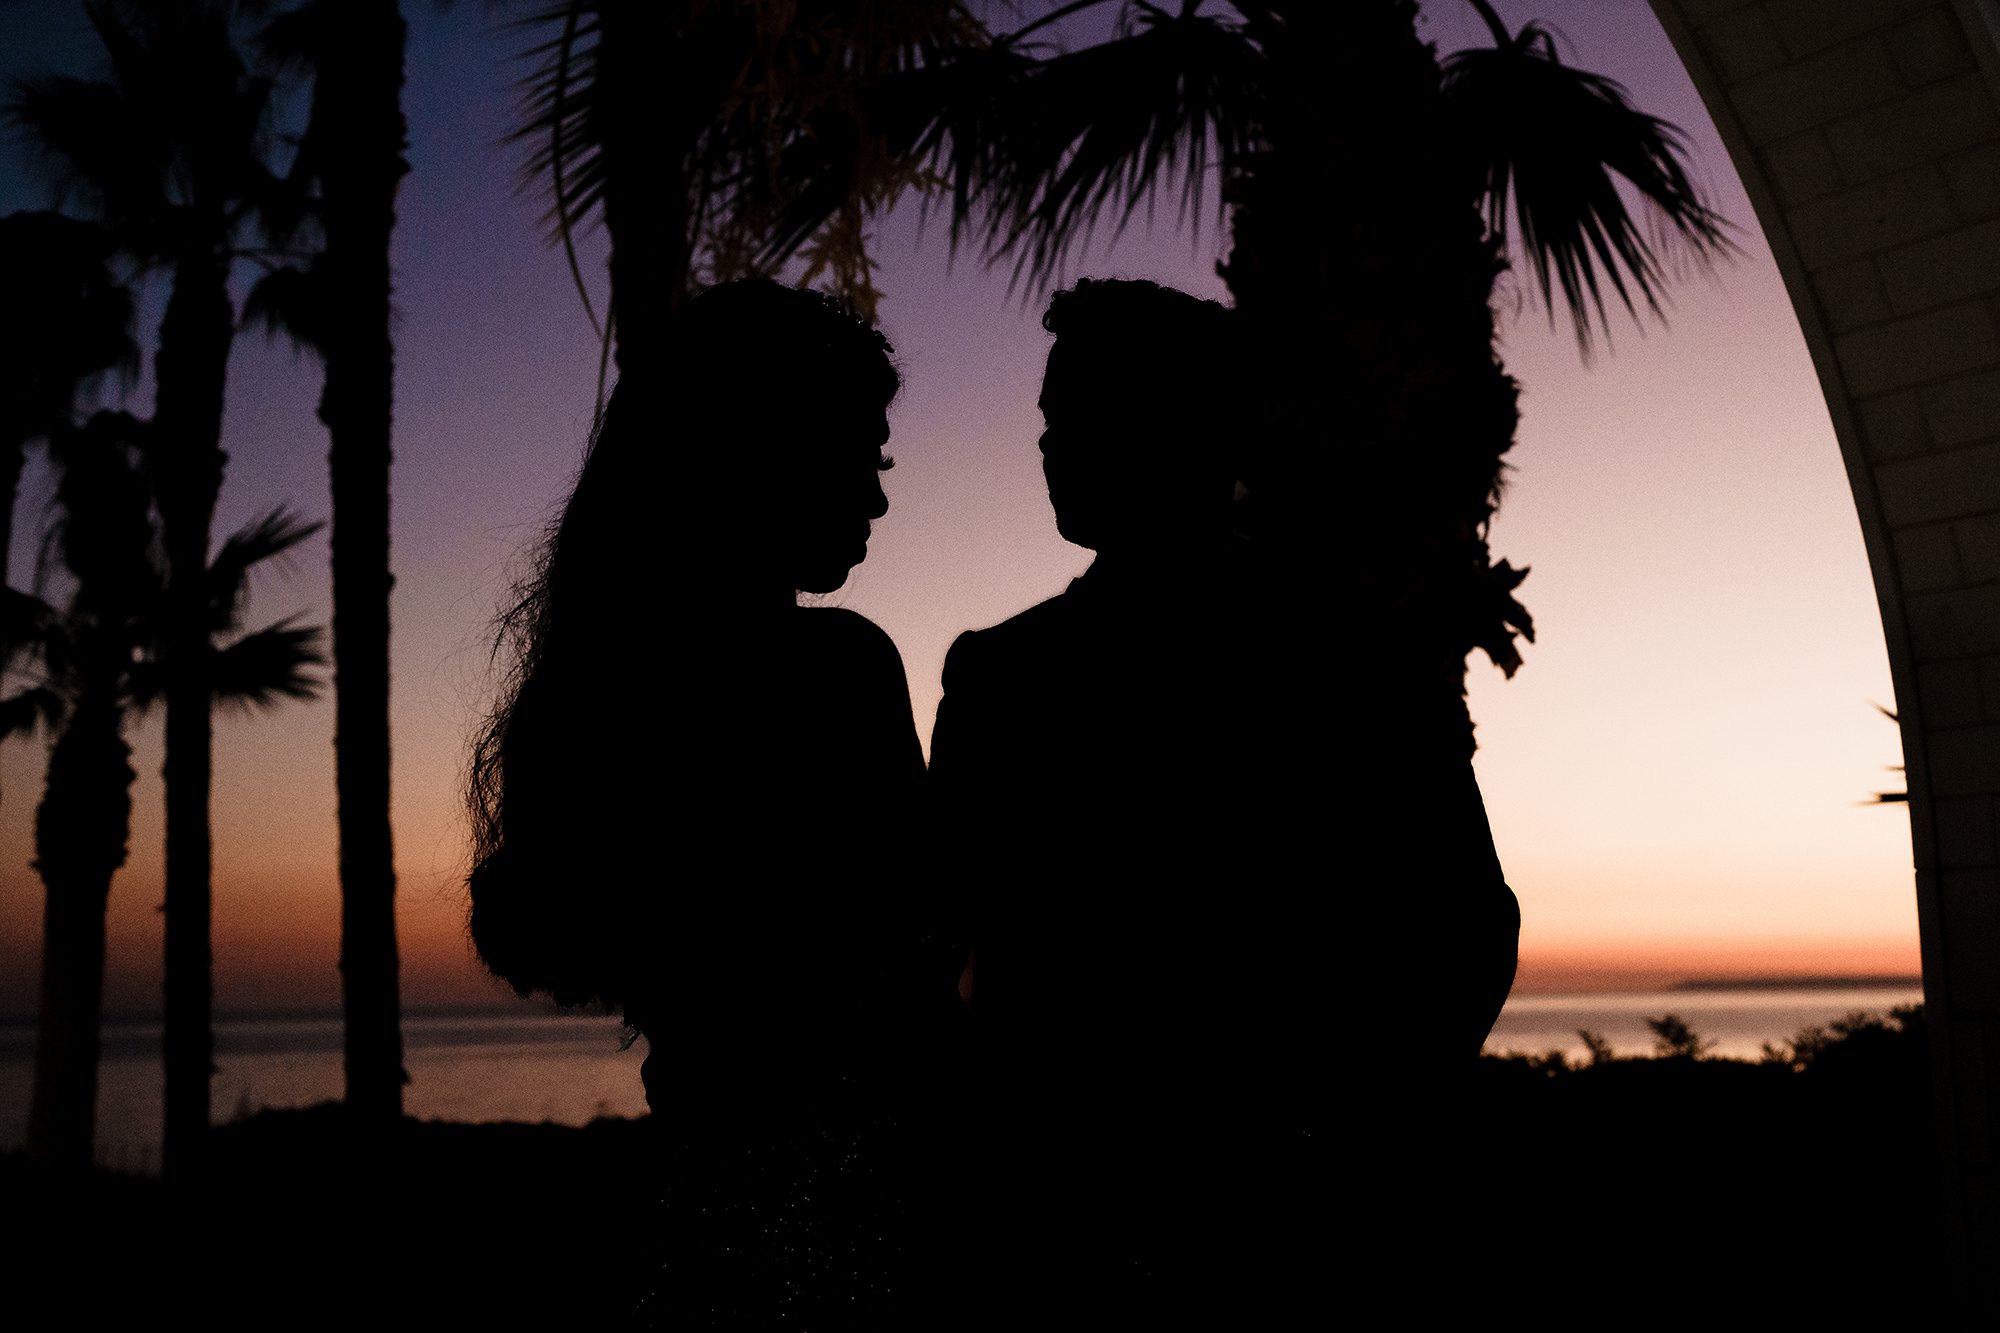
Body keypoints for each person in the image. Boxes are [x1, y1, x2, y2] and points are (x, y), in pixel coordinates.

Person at [931, 277, 1519, 1322]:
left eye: (1086, 416)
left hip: (1283, 1230)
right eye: (1049, 421)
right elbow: (937, 936)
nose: (1052, 447)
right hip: (1059, 1223)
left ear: (1196, 433)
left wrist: (1334, 1137)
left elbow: (1464, 927)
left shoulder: (1355, 661)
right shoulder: (998, 675)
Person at [466, 279, 962, 1327]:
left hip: (700, 1213)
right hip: (858, 1210)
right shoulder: (834, 669)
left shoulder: (601, 701)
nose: (876, 502)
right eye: (860, 459)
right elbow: (911, 963)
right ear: (763, 454)